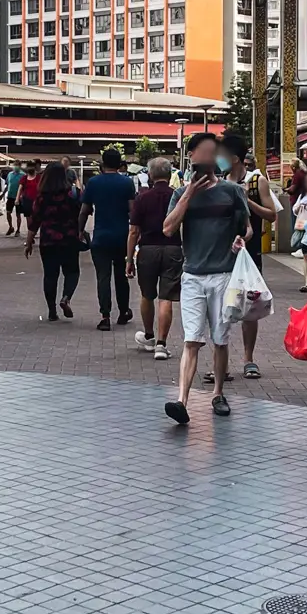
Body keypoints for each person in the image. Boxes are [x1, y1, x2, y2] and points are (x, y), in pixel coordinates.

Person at [161, 132, 250, 424]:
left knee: (220, 338)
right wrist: (188, 194)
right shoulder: (180, 194)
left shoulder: (232, 191)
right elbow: (168, 228)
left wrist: (241, 238)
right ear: (192, 157)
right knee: (191, 339)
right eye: (205, 152)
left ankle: (218, 393)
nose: (211, 157)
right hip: (193, 276)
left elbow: (246, 227)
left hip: (224, 274)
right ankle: (182, 400)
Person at [221, 138, 281, 382]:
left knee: (250, 304)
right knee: (221, 305)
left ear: (235, 158)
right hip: (223, 253)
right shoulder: (219, 182)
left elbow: (272, 215)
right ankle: (220, 362)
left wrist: (248, 200)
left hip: (250, 252)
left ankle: (248, 359)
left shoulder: (257, 181)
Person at [129, 157, 182, 360]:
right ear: (170, 175)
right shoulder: (177, 196)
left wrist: (128, 259)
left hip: (148, 249)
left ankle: (149, 335)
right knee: (166, 297)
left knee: (147, 294)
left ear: (150, 175)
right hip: (173, 249)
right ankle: (162, 344)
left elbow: (134, 231)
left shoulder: (142, 198)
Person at [80, 147, 137, 329]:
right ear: (120, 163)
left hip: (101, 237)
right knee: (121, 275)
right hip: (121, 237)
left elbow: (84, 210)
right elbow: (132, 210)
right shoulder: (127, 183)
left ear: (102, 163)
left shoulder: (93, 183)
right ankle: (124, 311)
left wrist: (79, 230)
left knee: (102, 277)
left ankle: (105, 316)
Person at [23, 160, 82, 322]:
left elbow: (34, 221)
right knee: (72, 271)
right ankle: (66, 297)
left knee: (50, 275)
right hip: (69, 239)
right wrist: (81, 232)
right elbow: (81, 214)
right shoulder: (72, 194)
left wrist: (29, 242)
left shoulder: (42, 197)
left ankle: (51, 311)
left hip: (48, 240)